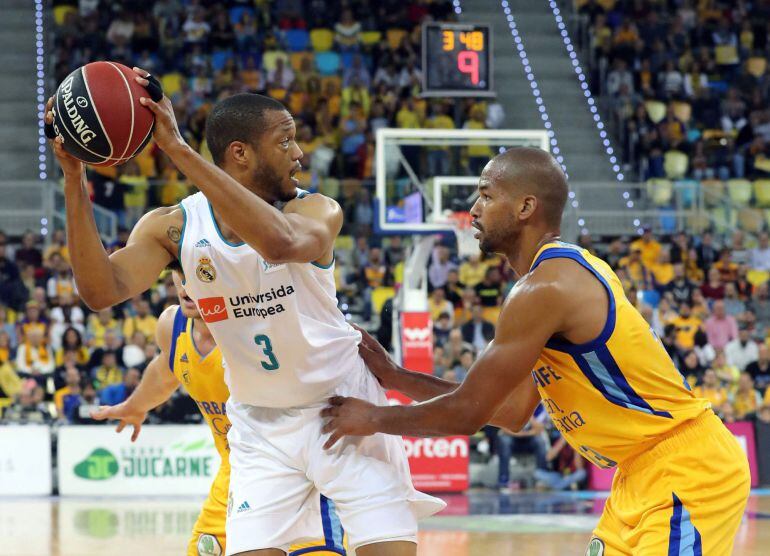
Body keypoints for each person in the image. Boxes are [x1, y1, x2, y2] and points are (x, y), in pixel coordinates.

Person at [47, 72, 442, 556]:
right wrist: (74, 177)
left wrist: (177, 149)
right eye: (287, 141)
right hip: (260, 427)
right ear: (241, 153)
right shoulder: (172, 227)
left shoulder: (317, 210)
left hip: (346, 413)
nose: (300, 154)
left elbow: (280, 244)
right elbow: (99, 289)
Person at [322, 147, 750, 555]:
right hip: (638, 472)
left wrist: (372, 417)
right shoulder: (550, 281)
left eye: (487, 196)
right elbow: (509, 411)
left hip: (686, 467)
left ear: (526, 208)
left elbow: (466, 414)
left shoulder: (547, 287)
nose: (473, 209)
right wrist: (396, 376)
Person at [92, 270, 347, 556]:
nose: (187, 286)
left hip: (296, 474)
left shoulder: (260, 323)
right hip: (236, 471)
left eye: (199, 274)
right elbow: (165, 372)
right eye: (180, 274)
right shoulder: (172, 325)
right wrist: (135, 406)